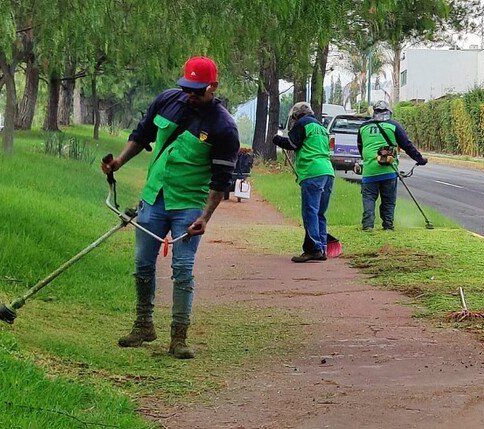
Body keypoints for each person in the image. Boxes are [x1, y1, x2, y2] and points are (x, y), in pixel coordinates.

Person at [101, 56, 240, 359]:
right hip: (154, 196)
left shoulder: (224, 127)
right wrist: (119, 162)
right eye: (186, 87)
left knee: (183, 269)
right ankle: (143, 325)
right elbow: (142, 135)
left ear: (213, 87)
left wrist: (206, 216)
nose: (190, 94)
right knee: (142, 264)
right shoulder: (167, 101)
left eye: (197, 90)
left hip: (189, 204)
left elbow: (221, 180)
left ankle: (179, 336)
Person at [272, 102, 335, 263]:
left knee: (310, 212)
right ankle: (322, 248)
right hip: (328, 171)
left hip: (312, 172)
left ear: (296, 115)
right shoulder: (321, 127)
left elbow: (292, 144)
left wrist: (277, 139)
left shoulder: (303, 123)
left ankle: (313, 248)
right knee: (320, 213)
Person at [357, 100, 427, 231]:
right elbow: (407, 146)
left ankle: (367, 226)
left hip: (369, 171)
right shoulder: (394, 126)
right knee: (388, 200)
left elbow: (360, 147)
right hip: (389, 170)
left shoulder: (363, 127)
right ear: (388, 112)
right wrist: (420, 159)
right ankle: (388, 226)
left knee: (369, 199)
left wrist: (367, 161)